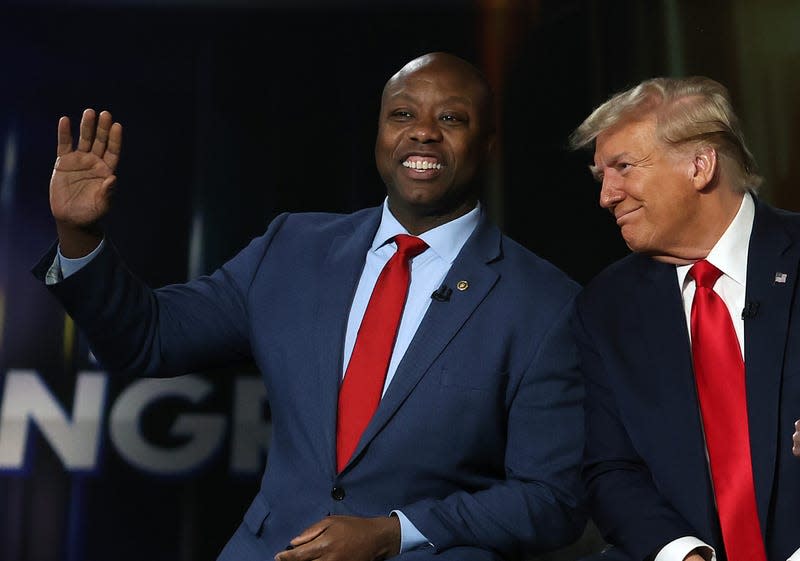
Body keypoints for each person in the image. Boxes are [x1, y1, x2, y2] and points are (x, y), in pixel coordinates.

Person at [34, 52, 587, 561]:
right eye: (402, 114)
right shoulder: (293, 249)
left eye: (452, 119)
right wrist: (79, 234)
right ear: (378, 134)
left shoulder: (544, 303)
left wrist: (395, 531)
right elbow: (147, 338)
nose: (422, 132)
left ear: (488, 143)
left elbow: (552, 501)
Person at [568, 75, 800, 561]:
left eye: (623, 167)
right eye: (601, 176)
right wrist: (682, 554)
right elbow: (610, 469)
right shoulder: (606, 305)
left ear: (700, 165)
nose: (606, 196)